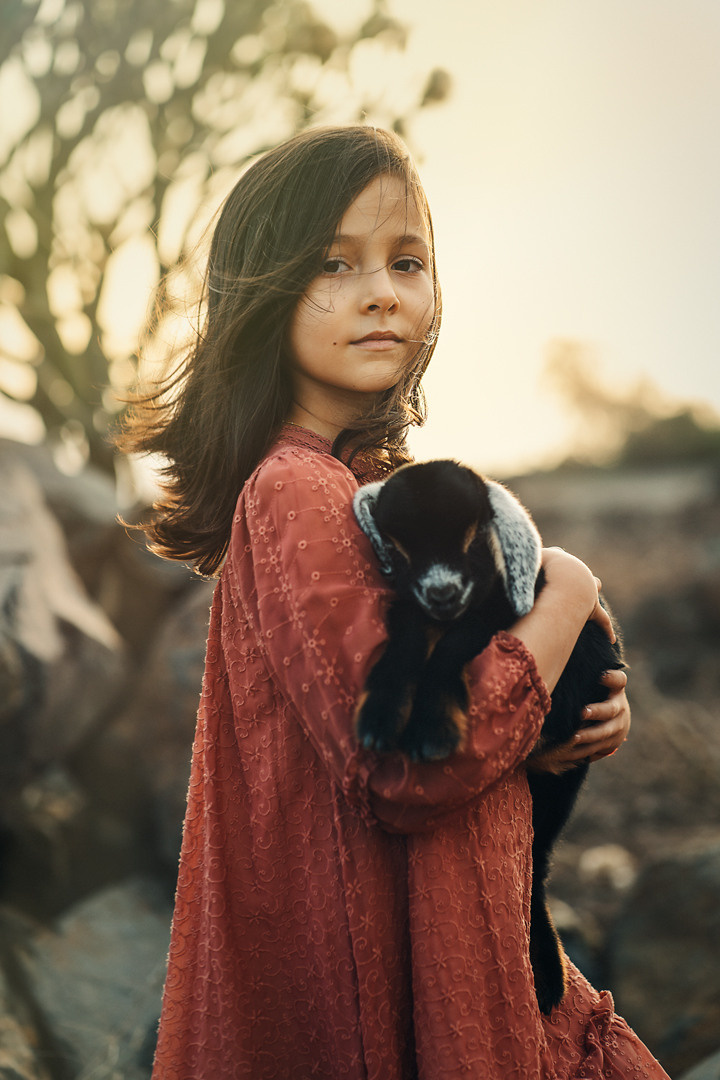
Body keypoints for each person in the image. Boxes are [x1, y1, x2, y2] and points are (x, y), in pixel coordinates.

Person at [119, 125, 670, 1079]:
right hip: (380, 980)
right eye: (334, 263)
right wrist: (573, 588)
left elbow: (469, 681)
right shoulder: (295, 489)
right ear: (263, 295)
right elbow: (407, 771)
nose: (381, 290)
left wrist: (567, 714)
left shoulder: (370, 487)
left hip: (462, 941)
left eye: (406, 261)